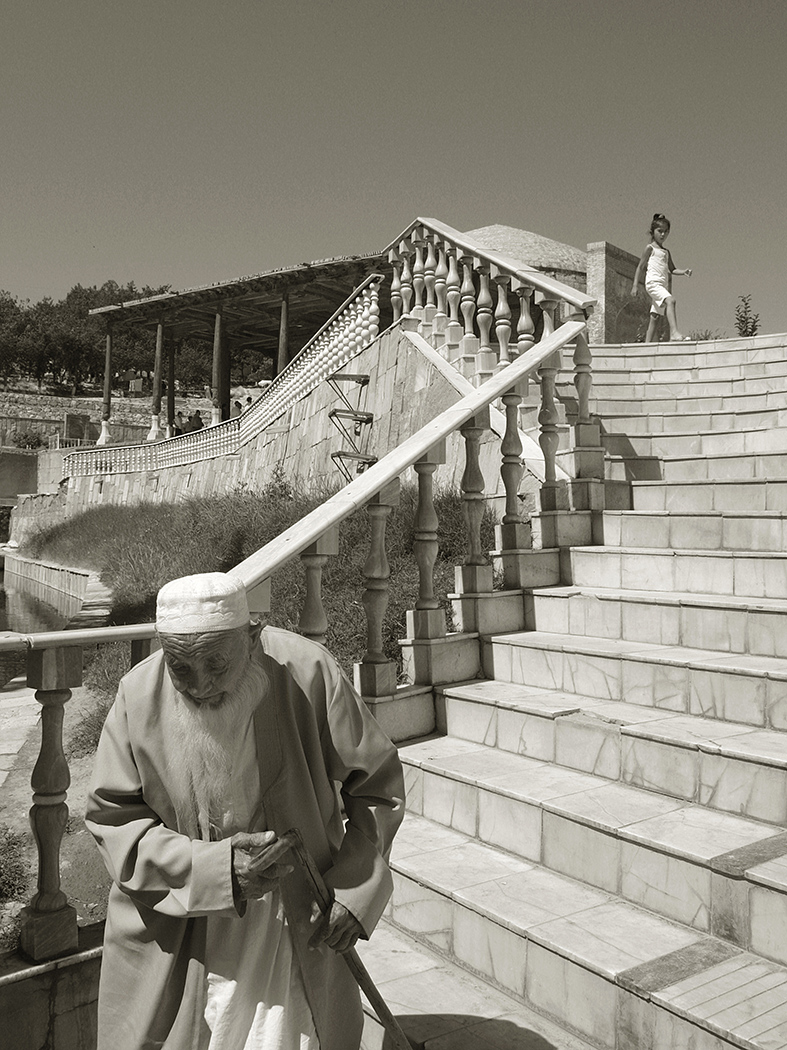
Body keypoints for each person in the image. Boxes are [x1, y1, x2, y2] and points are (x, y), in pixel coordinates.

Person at [85, 572, 404, 1050]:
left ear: (251, 639)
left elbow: (378, 787)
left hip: (293, 927)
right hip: (182, 926)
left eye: (215, 664)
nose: (200, 686)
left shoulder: (307, 673)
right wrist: (215, 870)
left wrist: (356, 889)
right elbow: (114, 820)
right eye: (180, 668)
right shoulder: (138, 695)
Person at [631, 213, 693, 342]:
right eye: (660, 231)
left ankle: (646, 346)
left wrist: (684, 272)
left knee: (655, 316)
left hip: (662, 285)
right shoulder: (650, 248)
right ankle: (674, 333)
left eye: (666, 232)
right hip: (653, 283)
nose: (663, 234)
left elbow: (672, 269)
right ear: (653, 232)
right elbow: (640, 267)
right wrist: (635, 285)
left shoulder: (666, 252)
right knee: (671, 301)